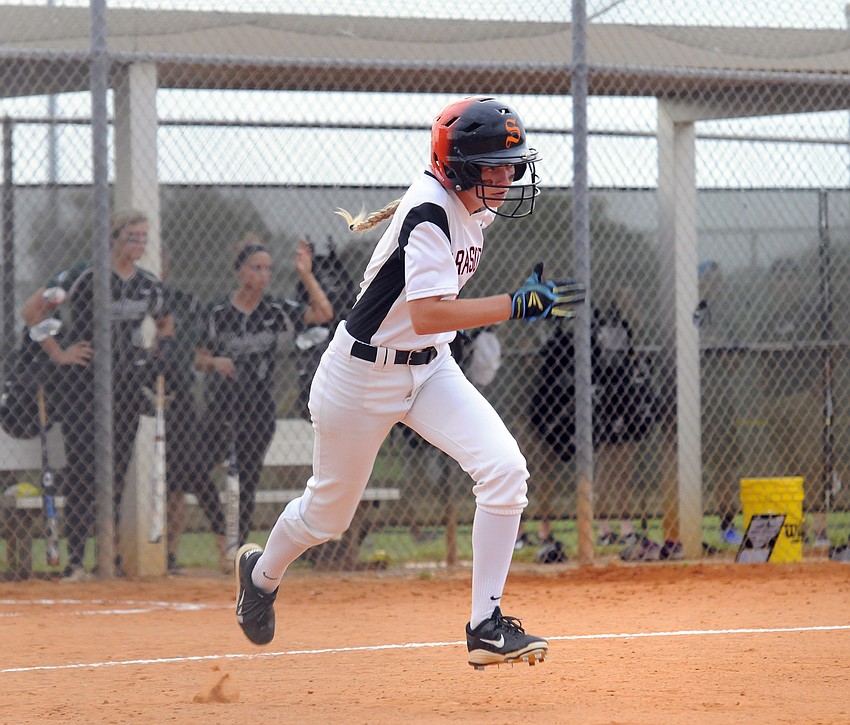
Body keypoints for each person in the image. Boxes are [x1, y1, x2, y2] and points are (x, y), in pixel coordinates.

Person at [233, 96, 585, 669]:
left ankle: (486, 627)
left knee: (505, 470)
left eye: (511, 164)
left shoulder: (475, 201)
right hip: (361, 375)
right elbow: (427, 314)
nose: (506, 176)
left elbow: (429, 331)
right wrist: (515, 304)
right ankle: (262, 574)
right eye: (493, 165)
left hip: (429, 368)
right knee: (328, 516)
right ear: (458, 167)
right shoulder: (429, 214)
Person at [21, 209, 171, 581]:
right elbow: (31, 310)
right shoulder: (82, 274)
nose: (139, 243)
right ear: (114, 238)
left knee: (117, 471)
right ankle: (75, 562)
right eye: (132, 236)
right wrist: (60, 353)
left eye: (143, 237)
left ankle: (110, 557)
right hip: (82, 386)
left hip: (125, 389)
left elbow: (166, 320)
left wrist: (154, 351)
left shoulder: (147, 284)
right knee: (83, 471)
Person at [194, 236, 333, 572]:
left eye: (268, 269)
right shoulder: (218, 313)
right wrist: (216, 363)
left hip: (257, 407)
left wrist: (305, 275)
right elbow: (199, 358)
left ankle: (236, 550)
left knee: (248, 479)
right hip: (222, 405)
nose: (263, 275)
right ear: (240, 272)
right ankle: (221, 533)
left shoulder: (274, 312)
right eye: (255, 268)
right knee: (194, 469)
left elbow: (323, 312)